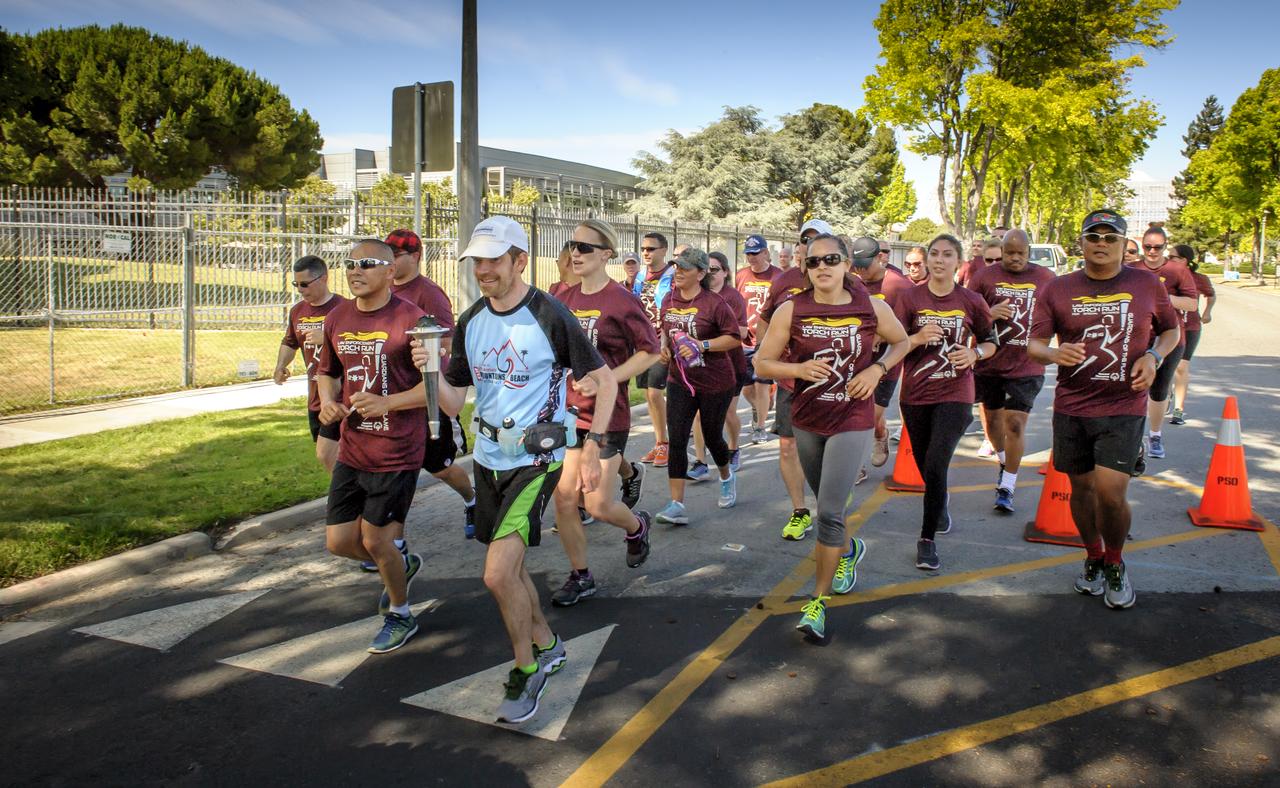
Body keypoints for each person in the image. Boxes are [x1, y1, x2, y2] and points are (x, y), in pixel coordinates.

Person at [416, 216, 617, 724]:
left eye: (493, 260)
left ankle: (528, 672)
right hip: (486, 459)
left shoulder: (552, 315)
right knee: (515, 571)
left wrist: (593, 446)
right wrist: (430, 371)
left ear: (519, 260)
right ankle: (548, 644)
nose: (483, 270)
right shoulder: (470, 321)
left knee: (497, 573)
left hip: (537, 459)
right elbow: (453, 400)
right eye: (477, 261)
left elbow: (605, 380)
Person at [755, 234, 910, 640]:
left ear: (846, 265)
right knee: (828, 505)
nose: (822, 266)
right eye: (813, 261)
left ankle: (817, 603)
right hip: (807, 418)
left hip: (852, 417)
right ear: (805, 268)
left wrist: (876, 370)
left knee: (827, 510)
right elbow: (762, 361)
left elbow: (902, 342)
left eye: (832, 259)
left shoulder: (871, 307)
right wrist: (799, 371)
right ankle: (850, 550)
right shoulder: (792, 308)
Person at [1029, 209, 1180, 609]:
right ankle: (1093, 556)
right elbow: (1034, 344)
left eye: (1110, 238)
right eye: (1093, 237)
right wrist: (1053, 353)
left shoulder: (1146, 283)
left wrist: (1153, 356)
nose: (1101, 244)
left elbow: (1171, 329)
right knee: (1080, 490)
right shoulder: (1058, 288)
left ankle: (1115, 561)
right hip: (1073, 405)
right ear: (1081, 242)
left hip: (1124, 403)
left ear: (1123, 244)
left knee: (1111, 495)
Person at [315, 240, 429, 655]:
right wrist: (328, 402)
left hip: (397, 450)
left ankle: (401, 612)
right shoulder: (338, 317)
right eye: (349, 264)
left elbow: (434, 390)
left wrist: (388, 402)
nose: (355, 270)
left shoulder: (413, 320)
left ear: (389, 272)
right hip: (353, 446)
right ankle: (400, 563)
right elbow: (327, 371)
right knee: (339, 542)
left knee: (379, 541)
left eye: (366, 263)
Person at [549, 219, 660, 606]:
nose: (575, 253)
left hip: (608, 415)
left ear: (606, 255)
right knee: (565, 499)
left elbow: (651, 351)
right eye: (572, 246)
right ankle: (581, 576)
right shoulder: (562, 297)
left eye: (585, 248)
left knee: (596, 504)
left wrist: (606, 379)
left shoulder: (620, 300)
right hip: (567, 413)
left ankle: (637, 525)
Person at [894, 234, 997, 571]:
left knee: (937, 464)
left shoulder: (970, 300)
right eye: (934, 254)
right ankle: (940, 501)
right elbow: (892, 343)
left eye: (947, 254)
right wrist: (916, 338)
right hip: (916, 394)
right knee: (927, 467)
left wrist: (974, 353)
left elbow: (991, 342)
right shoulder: (910, 298)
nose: (939, 260)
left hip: (956, 392)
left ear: (958, 261)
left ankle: (927, 540)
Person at [384, 229, 477, 551]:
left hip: (425, 393)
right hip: (391, 392)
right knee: (394, 467)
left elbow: (449, 342)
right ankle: (391, 542)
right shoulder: (381, 290)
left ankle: (472, 498)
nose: (392, 261)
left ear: (416, 256)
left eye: (397, 255)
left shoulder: (428, 294)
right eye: (388, 255)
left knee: (440, 467)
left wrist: (423, 347)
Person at [755, 218, 836, 539]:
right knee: (789, 447)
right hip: (792, 382)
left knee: (827, 451)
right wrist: (767, 355)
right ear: (799, 245)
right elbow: (763, 320)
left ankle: (831, 510)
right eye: (806, 240)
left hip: (833, 382)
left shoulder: (845, 281)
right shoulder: (784, 281)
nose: (810, 246)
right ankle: (800, 511)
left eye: (818, 240)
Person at [968, 229, 1057, 513]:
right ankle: (1004, 460)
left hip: (1026, 365)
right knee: (993, 422)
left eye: (1021, 253)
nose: (1015, 259)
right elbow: (966, 313)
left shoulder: (1045, 278)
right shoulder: (984, 276)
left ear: (1029, 252)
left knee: (1015, 423)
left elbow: (1061, 314)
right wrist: (988, 314)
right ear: (1002, 251)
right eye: (1010, 253)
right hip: (990, 362)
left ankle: (1007, 484)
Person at [653, 248, 742, 525]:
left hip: (715, 381)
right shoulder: (669, 299)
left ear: (701, 274)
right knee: (677, 438)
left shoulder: (714, 304)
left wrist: (701, 345)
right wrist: (664, 347)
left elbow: (734, 338)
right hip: (679, 379)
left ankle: (726, 476)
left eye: (685, 268)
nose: (678, 272)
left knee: (712, 435)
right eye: (676, 267)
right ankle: (676, 503)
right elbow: (666, 330)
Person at [1130, 226, 1199, 458]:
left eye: (1157, 247)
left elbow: (1192, 304)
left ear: (1165, 246)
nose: (1151, 251)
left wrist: (1162, 298)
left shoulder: (1177, 270)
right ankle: (1132, 437)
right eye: (1147, 247)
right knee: (1135, 387)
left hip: (1170, 338)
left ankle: (1155, 435)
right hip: (1137, 337)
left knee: (1159, 390)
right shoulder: (1132, 268)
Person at [274, 255, 346, 473]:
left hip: (340, 394)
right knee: (329, 454)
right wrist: (280, 366)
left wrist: (326, 336)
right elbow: (290, 342)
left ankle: (348, 499)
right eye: (296, 284)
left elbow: (356, 345)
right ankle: (351, 498)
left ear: (323, 278)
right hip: (315, 397)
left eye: (305, 284)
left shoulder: (344, 308)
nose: (300, 290)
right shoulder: (297, 311)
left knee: (328, 452)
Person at [851, 236, 914, 470]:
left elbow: (907, 330)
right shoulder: (851, 280)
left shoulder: (899, 286)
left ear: (880, 258)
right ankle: (863, 458)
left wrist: (882, 334)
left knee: (870, 416)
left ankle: (876, 440)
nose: (860, 271)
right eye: (855, 265)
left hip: (886, 363)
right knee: (855, 415)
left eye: (864, 266)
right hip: (855, 360)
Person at [690, 251, 748, 478]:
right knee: (698, 415)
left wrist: (710, 338)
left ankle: (733, 448)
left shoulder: (732, 297)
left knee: (727, 413)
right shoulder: (695, 295)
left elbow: (742, 331)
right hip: (700, 365)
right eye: (707, 269)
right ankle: (700, 461)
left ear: (725, 272)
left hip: (731, 364)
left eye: (716, 269)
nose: (711, 274)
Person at [633, 233, 675, 467]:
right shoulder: (641, 276)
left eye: (651, 248)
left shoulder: (672, 276)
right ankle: (660, 440)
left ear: (663, 250)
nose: (646, 252)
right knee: (649, 395)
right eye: (644, 248)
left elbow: (672, 311)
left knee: (655, 392)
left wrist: (666, 342)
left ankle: (665, 445)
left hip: (661, 342)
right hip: (642, 342)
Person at [736, 234, 783, 444]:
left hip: (768, 340)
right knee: (747, 388)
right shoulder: (741, 276)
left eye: (755, 253)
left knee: (761, 384)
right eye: (748, 253)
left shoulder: (778, 276)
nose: (752, 257)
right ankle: (759, 407)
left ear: (765, 253)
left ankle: (760, 427)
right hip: (745, 340)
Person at [1169, 245, 1215, 425]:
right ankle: (1164, 392)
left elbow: (1211, 295)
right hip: (1169, 328)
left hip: (1191, 328)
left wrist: (1208, 312)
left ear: (1184, 260)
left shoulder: (1199, 279)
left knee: (1181, 367)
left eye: (1173, 257)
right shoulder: (1165, 276)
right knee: (1164, 367)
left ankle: (1178, 409)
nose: (1169, 259)